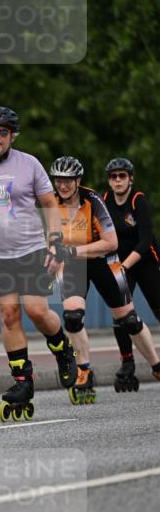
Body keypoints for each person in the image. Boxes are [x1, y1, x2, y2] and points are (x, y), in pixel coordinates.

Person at [0, 106, 77, 422]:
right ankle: (23, 381)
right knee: (9, 315)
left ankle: (63, 348)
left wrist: (56, 242)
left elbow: (50, 204)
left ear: (12, 136)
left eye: (2, 132)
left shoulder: (29, 164)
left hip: (32, 250)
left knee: (36, 311)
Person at [49, 156, 160, 401]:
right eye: (59, 180)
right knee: (73, 317)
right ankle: (84, 371)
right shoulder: (50, 203)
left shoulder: (94, 201)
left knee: (129, 321)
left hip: (104, 259)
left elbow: (112, 243)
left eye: (68, 180)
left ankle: (155, 365)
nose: (63, 186)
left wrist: (73, 251)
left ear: (78, 180)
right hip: (74, 264)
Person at [102, 157, 160, 390]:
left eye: (122, 176)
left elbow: (146, 241)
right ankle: (127, 363)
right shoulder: (104, 201)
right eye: (113, 176)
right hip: (120, 263)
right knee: (121, 316)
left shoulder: (138, 201)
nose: (117, 180)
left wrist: (125, 266)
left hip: (144, 261)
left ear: (130, 179)